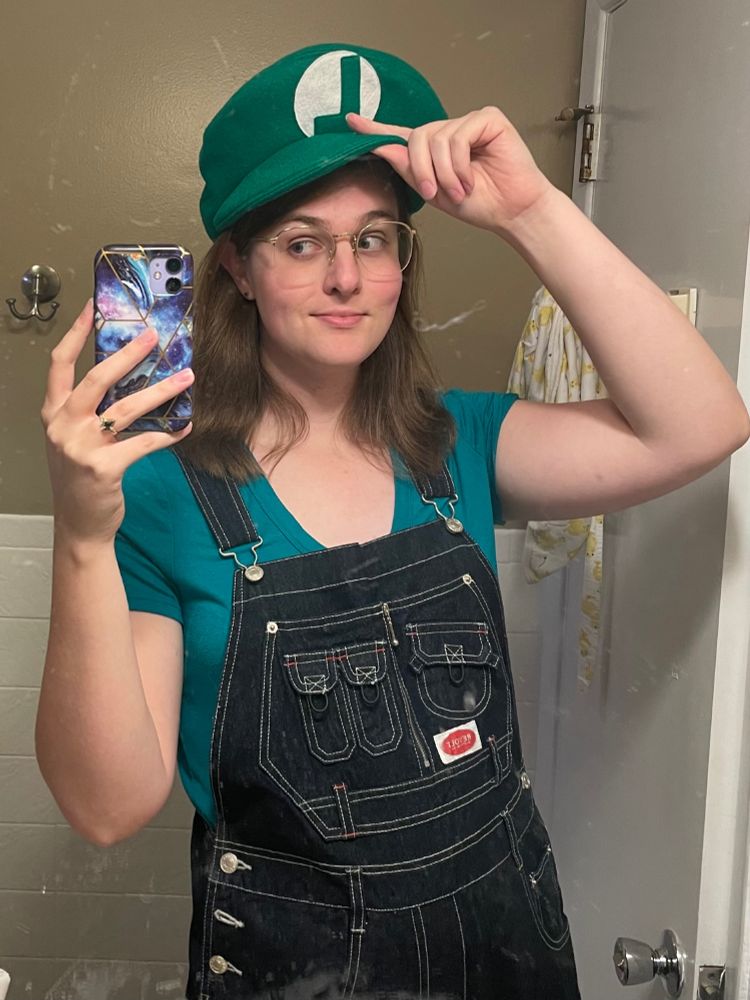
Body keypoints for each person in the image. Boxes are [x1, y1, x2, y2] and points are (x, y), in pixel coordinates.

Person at [37, 42, 749, 1000]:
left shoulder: (459, 442)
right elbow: (108, 808)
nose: (347, 277)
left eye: (374, 238)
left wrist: (534, 209)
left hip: (511, 958)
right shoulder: (161, 494)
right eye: (302, 242)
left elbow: (704, 426)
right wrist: (82, 536)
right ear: (240, 270)